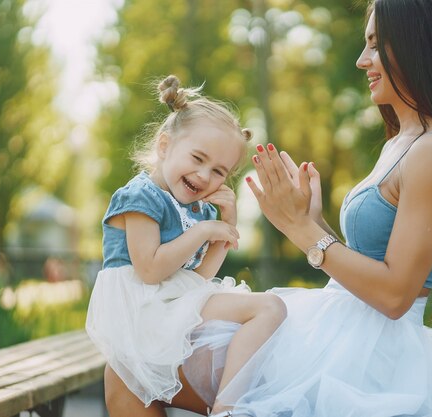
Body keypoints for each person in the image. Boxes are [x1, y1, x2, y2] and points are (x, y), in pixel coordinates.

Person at [104, 0, 432, 415]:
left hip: (365, 348)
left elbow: (395, 294)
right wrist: (313, 220)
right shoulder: (405, 141)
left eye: (376, 45)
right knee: (129, 367)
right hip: (339, 325)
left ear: (420, 45)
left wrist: (302, 230)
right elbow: (371, 260)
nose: (362, 60)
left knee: (130, 370)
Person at [86, 75, 287, 417]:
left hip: (170, 303)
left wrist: (226, 227)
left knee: (268, 314)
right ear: (165, 147)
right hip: (144, 311)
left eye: (219, 171)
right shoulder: (141, 196)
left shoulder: (197, 209)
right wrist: (205, 229)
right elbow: (149, 270)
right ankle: (228, 409)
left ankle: (231, 401)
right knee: (269, 308)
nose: (205, 175)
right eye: (197, 158)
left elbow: (198, 278)